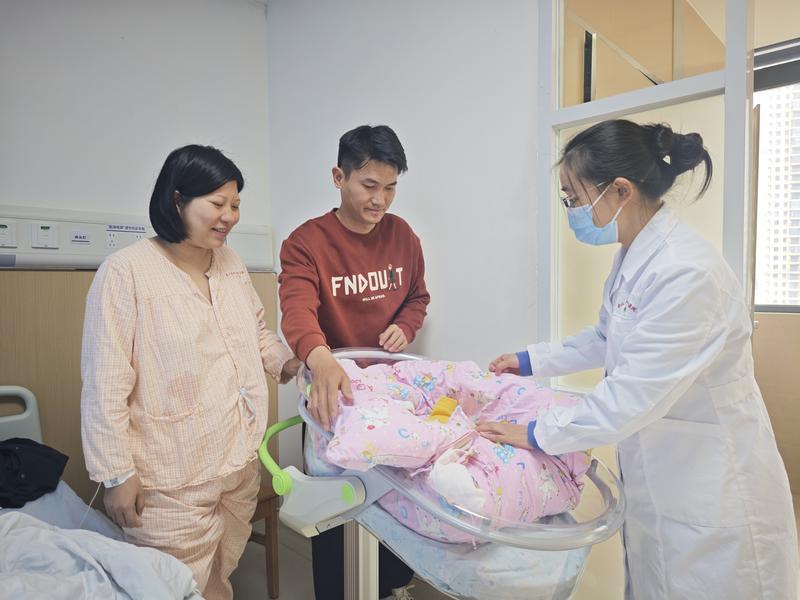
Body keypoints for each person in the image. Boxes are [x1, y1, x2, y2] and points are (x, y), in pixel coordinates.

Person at [477, 119, 799, 599]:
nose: (571, 210)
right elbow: (608, 337)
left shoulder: (688, 272)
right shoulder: (633, 256)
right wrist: (529, 361)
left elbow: (630, 395)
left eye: (573, 197)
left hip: (714, 494)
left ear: (620, 190)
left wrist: (537, 433)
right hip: (663, 483)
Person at [81, 145, 301, 600]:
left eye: (235, 204)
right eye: (217, 204)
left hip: (238, 462)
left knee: (220, 574)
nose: (229, 216)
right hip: (169, 475)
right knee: (173, 586)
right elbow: (105, 383)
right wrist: (116, 475)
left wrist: (288, 362)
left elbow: (256, 330)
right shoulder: (126, 273)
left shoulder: (230, 263)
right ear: (177, 199)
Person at [279, 124, 430, 600]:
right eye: (369, 185)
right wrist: (320, 357)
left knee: (393, 511)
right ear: (338, 177)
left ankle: (390, 589)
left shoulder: (402, 236)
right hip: (334, 399)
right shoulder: (306, 242)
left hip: (390, 402)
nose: (380, 200)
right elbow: (296, 311)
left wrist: (406, 325)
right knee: (335, 520)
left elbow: (418, 297)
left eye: (390, 187)